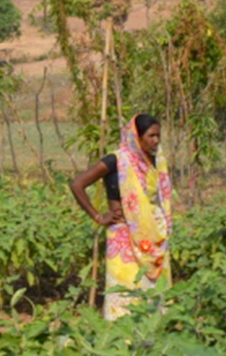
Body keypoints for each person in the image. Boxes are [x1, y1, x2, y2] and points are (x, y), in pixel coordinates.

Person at [68, 114, 172, 320]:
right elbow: (77, 184)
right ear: (137, 136)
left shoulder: (156, 161)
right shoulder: (117, 160)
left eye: (158, 136)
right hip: (123, 239)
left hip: (152, 238)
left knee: (152, 295)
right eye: (151, 136)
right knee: (124, 292)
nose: (156, 141)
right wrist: (98, 216)